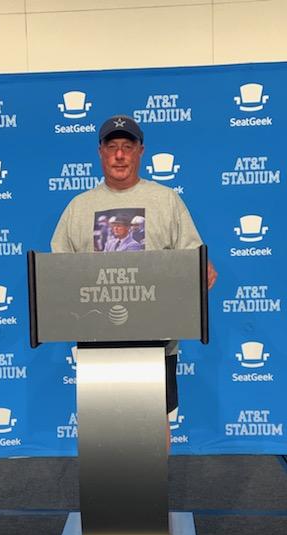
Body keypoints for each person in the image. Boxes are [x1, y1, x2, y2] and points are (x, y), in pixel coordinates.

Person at [51, 114, 217, 426]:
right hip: (97, 339)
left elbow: (193, 258)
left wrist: (201, 267)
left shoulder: (167, 200)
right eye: (112, 147)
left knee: (155, 424)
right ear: (100, 152)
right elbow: (58, 273)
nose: (119, 155)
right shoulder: (78, 207)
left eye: (127, 147)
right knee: (103, 427)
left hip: (157, 339)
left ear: (141, 151)